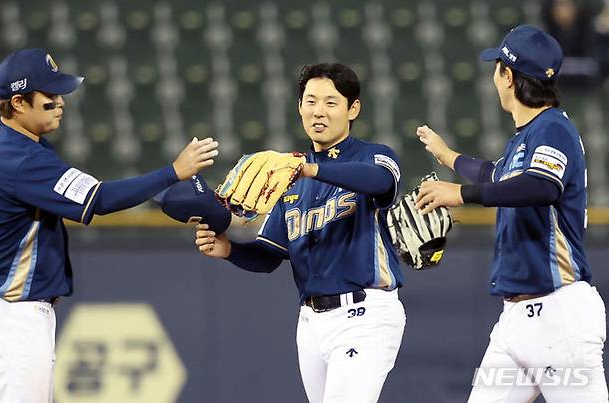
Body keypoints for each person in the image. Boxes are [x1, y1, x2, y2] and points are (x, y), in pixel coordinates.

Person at [0, 48, 218, 403]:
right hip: (10, 315)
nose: (60, 102)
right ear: (18, 103)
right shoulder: (20, 159)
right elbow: (100, 199)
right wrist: (172, 172)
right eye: (49, 95)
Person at [414, 25, 607, 402]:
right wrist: (448, 156)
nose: (494, 76)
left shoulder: (553, 129)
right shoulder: (530, 135)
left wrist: (460, 194)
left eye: (498, 67)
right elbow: (497, 174)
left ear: (510, 77)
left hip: (557, 312)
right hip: (517, 320)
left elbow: (540, 187)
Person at [195, 63, 405, 403]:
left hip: (365, 315)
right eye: (310, 101)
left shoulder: (374, 156)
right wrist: (228, 249)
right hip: (310, 322)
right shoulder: (289, 178)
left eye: (330, 102)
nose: (318, 111)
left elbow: (382, 182)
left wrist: (310, 169)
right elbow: (269, 257)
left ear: (353, 109)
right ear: (299, 107)